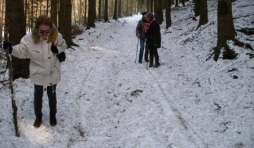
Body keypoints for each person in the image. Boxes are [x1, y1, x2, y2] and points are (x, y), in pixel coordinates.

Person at [3, 15, 67, 128]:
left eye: (47, 31)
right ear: (37, 29)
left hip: (53, 71)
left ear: (51, 29)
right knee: (38, 95)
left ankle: (53, 115)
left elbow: (64, 45)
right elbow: (22, 51)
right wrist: (11, 49)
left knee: (52, 94)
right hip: (38, 72)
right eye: (42, 31)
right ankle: (38, 116)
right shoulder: (29, 39)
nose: (45, 34)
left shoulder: (57, 36)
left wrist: (58, 49)